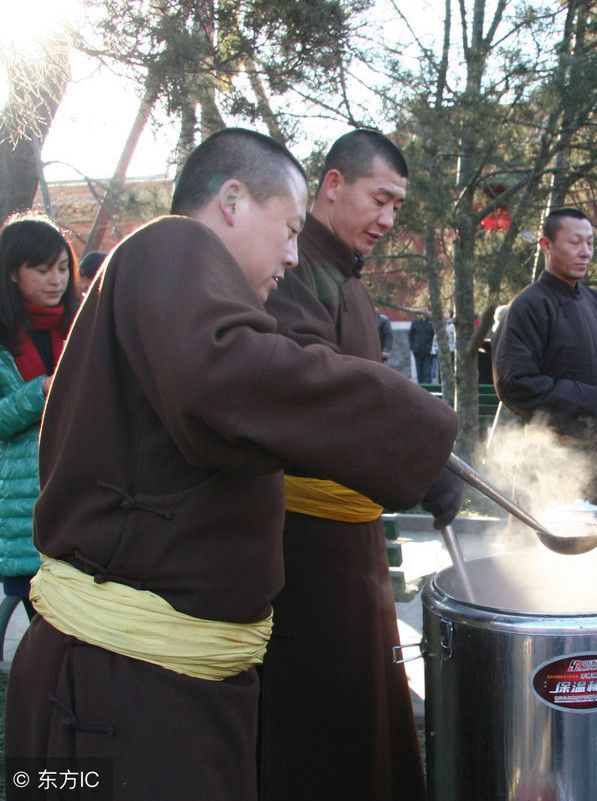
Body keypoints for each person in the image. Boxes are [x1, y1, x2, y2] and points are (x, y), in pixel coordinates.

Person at [4, 128, 459, 801]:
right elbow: (222, 376)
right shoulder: (170, 243)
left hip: (158, 689)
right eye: (289, 227)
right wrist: (412, 425)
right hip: (112, 695)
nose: (293, 252)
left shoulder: (187, 296)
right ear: (233, 200)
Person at [259, 128, 461, 801]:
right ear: (333, 184)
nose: (388, 220)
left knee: (363, 708)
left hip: (352, 539)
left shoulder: (349, 281)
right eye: (380, 198)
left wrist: (418, 445)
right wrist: (417, 446)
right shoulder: (293, 272)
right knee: (320, 721)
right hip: (303, 547)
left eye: (398, 207)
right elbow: (317, 386)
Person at [492, 207, 597, 525]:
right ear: (545, 245)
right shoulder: (528, 306)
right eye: (575, 242)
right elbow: (515, 382)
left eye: (590, 243)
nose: (585, 252)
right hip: (553, 458)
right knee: (548, 563)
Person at [0, 215, 80, 621]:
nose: (56, 280)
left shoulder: (82, 326)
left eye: (63, 268)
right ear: (13, 272)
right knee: (43, 628)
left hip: (81, 496)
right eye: (43, 269)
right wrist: (39, 392)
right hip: (24, 508)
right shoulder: (3, 339)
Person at [409, 311, 436, 383]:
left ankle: (428, 390)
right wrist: (412, 347)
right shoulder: (415, 322)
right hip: (417, 350)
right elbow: (410, 335)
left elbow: (434, 335)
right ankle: (420, 389)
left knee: (427, 372)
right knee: (419, 371)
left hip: (428, 351)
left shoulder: (431, 323)